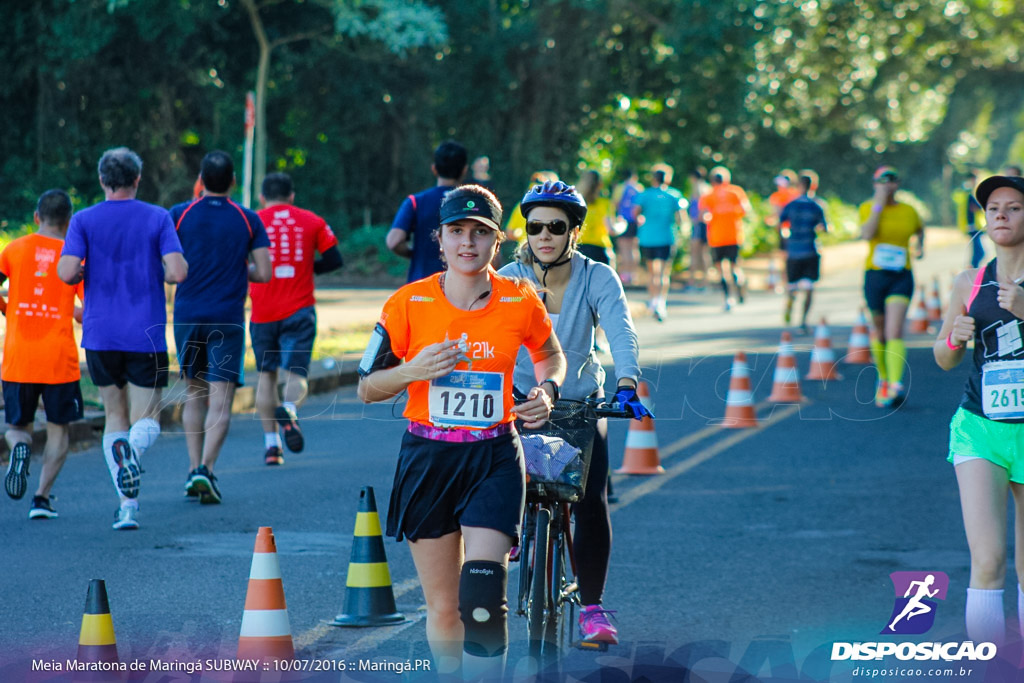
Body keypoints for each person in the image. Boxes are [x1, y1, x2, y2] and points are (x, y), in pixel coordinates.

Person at [357, 185, 566, 679]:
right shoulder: (409, 303)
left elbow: (550, 354)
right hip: (428, 456)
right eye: (457, 232)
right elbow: (367, 387)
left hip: (494, 455)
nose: (467, 243)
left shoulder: (521, 300)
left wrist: (548, 391)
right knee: (444, 608)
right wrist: (412, 371)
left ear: (499, 242)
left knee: (480, 597)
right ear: (440, 239)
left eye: (480, 233)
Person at [497, 180, 652, 648]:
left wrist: (627, 382)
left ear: (574, 231)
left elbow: (621, 333)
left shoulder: (598, 276)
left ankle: (593, 607)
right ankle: (513, 530)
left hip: (581, 403)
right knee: (498, 483)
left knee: (591, 501)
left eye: (555, 226)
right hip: (518, 402)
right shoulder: (507, 277)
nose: (543, 235)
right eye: (535, 226)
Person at [58, 147, 188, 530]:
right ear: (137, 179)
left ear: (102, 180)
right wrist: (158, 270)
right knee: (146, 418)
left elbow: (66, 274)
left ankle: (127, 506)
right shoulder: (158, 217)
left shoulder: (83, 220)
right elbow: (178, 272)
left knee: (114, 414)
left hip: (100, 332)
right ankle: (130, 453)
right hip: (144, 331)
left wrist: (88, 265)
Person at [934, 174, 1024, 648]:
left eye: (1013, 207)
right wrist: (954, 338)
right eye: (993, 209)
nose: (1002, 216)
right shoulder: (970, 281)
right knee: (987, 561)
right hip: (980, 428)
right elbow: (944, 358)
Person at [170, 151, 271, 504]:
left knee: (193, 394)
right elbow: (264, 272)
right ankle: (206, 470)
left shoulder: (179, 214)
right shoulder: (247, 219)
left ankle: (193, 466)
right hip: (226, 318)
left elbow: (167, 266)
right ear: (232, 181)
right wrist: (235, 267)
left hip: (186, 316)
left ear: (201, 179)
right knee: (220, 402)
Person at [1, 190, 84, 519]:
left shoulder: (14, 249)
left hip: (19, 357)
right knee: (58, 429)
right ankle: (41, 497)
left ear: (37, 217)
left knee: (17, 426)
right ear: (69, 221)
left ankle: (19, 447)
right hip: (58, 360)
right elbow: (87, 310)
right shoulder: (73, 256)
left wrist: (9, 308)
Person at [251, 172, 343, 466]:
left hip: (263, 311)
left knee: (266, 376)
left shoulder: (252, 221)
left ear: (262, 197)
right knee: (297, 374)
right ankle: (289, 408)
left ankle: (271, 446)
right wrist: (307, 265)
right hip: (299, 309)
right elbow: (335, 260)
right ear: (292, 196)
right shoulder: (312, 220)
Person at [859, 165, 924, 408]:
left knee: (894, 330)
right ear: (875, 183)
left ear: (898, 184)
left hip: (901, 276)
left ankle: (896, 384)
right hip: (875, 276)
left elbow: (920, 228)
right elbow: (867, 233)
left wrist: (921, 245)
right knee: (879, 331)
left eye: (892, 180)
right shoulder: (868, 207)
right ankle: (884, 378)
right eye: (882, 181)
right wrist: (878, 202)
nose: (887, 184)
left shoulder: (908, 210)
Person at [387, 140, 467, 283]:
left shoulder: (415, 202)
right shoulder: (473, 204)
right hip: (462, 288)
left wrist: (415, 253)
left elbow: (393, 241)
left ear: (434, 169)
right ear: (464, 170)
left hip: (422, 287)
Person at [632, 164, 687, 322]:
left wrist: (641, 219)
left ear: (653, 177)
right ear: (667, 178)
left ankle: (653, 301)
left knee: (652, 272)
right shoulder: (675, 195)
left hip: (648, 237)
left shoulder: (645, 195)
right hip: (667, 237)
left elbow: (635, 213)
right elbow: (681, 217)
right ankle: (661, 302)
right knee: (664, 272)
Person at [779, 170, 828, 334]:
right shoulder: (817, 205)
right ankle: (803, 321)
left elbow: (780, 224)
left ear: (799, 185)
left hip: (793, 251)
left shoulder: (791, 205)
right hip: (810, 250)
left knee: (792, 287)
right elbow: (824, 228)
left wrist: (786, 240)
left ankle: (789, 305)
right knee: (809, 287)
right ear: (814, 186)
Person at [698, 166, 752, 311]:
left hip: (717, 238)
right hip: (733, 236)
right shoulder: (735, 192)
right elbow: (746, 209)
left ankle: (729, 298)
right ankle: (740, 286)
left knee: (721, 270)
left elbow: (702, 215)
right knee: (734, 267)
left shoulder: (708, 195)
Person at [575, 170, 618, 268]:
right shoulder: (605, 203)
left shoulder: (576, 203)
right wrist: (622, 225)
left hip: (579, 248)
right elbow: (611, 229)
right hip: (600, 248)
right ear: (600, 184)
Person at [767, 170, 800, 292]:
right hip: (784, 230)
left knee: (788, 257)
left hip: (791, 230)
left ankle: (790, 281)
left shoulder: (794, 195)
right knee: (785, 257)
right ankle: (788, 282)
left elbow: (778, 213)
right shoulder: (777, 196)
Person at [610, 169, 642, 286]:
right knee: (634, 248)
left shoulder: (620, 188)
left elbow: (615, 204)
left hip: (622, 221)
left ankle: (624, 274)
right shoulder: (638, 188)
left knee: (623, 248)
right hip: (635, 221)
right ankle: (633, 274)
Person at [954, 171, 986, 268]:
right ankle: (972, 268)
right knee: (980, 252)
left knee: (977, 252)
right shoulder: (968, 194)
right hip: (972, 227)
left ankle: (972, 267)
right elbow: (977, 208)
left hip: (974, 226)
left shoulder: (968, 193)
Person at [686, 167, 710, 291]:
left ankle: (692, 282)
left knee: (695, 253)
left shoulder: (698, 188)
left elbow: (702, 207)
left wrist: (697, 220)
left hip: (699, 224)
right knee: (703, 254)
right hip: (704, 225)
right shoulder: (707, 187)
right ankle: (704, 282)